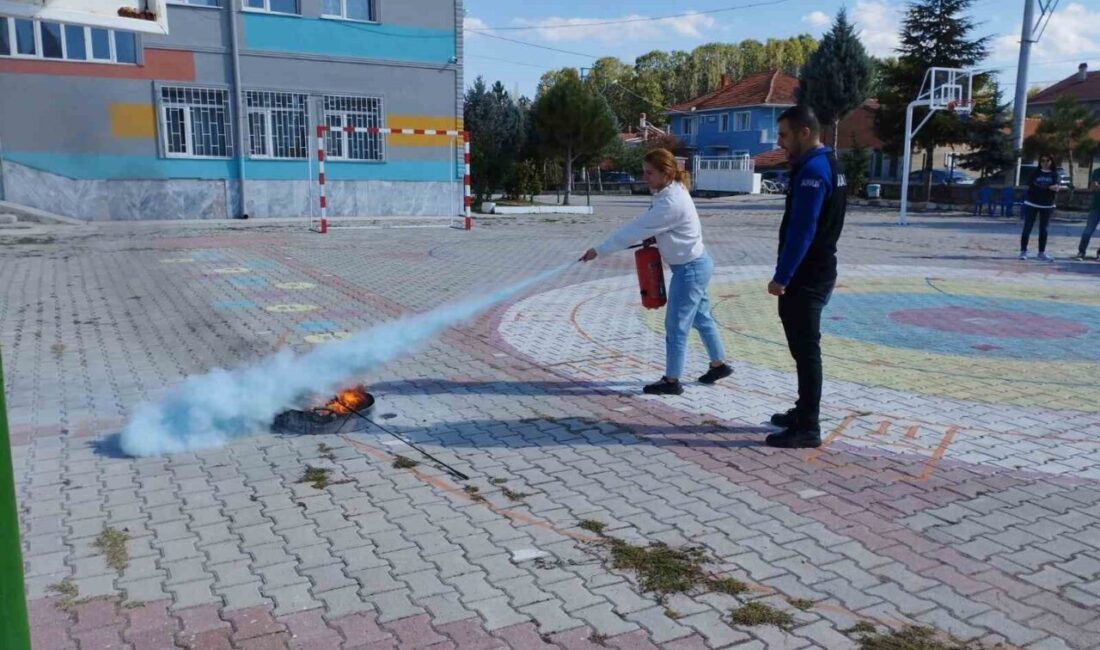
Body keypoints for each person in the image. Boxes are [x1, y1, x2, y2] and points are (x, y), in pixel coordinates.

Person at [579, 148, 732, 395]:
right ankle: (719, 365)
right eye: (644, 172)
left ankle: (672, 381)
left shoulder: (671, 201)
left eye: (649, 173)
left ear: (665, 173)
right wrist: (657, 236)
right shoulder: (670, 191)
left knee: (676, 325)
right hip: (697, 264)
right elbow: (661, 226)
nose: (644, 177)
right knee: (701, 318)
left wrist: (599, 250)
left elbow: (634, 230)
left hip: (690, 270)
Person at [765, 105, 847, 449]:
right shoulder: (830, 163)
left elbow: (803, 229)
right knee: (803, 348)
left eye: (784, 135)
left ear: (804, 132)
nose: (780, 142)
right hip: (819, 268)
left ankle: (808, 426)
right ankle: (803, 410)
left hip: (807, 273)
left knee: (806, 349)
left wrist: (782, 276)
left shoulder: (813, 169)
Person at [1019, 154, 1064, 261]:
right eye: (1042, 160)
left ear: (1051, 162)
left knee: (1043, 229)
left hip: (1047, 204)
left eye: (1047, 160)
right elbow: (1032, 185)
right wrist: (1048, 187)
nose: (1044, 163)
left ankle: (1041, 252)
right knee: (1027, 227)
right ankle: (1023, 251)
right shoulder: (1035, 173)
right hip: (1032, 203)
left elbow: (1057, 187)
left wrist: (1047, 187)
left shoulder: (1055, 174)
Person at [1073, 166, 1100, 261]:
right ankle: (1081, 252)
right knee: (1088, 231)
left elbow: (1097, 186)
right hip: (1096, 207)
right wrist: (1096, 186)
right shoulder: (1097, 171)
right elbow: (1093, 187)